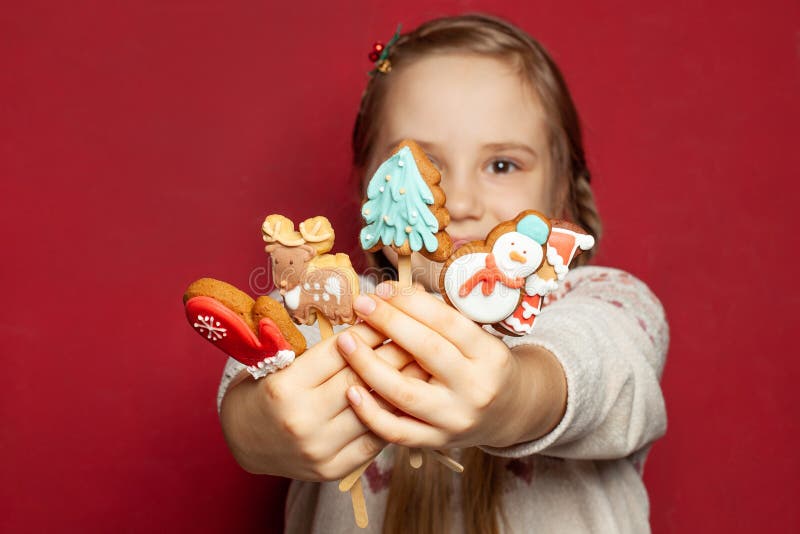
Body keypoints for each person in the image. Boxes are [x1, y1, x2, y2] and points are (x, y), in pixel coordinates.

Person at [218, 14, 668, 534]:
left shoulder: (605, 302)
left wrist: (518, 396)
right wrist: (258, 429)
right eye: (420, 162)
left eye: (502, 165)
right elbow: (252, 375)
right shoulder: (331, 306)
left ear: (563, 187)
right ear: (370, 185)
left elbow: (604, 367)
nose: (456, 202)